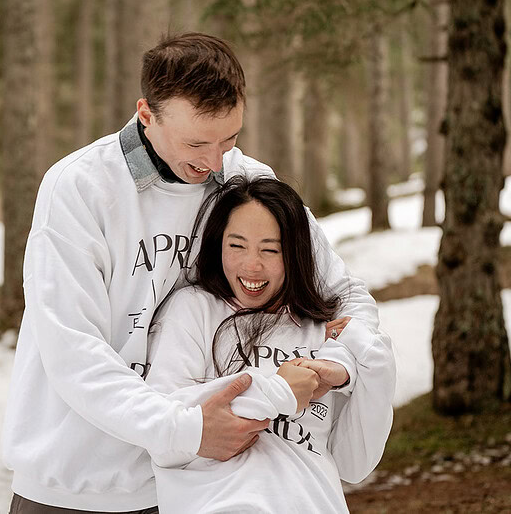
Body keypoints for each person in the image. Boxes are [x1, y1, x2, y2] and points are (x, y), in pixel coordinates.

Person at [2, 33, 381, 513]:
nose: (214, 162)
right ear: (147, 115)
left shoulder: (243, 182)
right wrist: (187, 429)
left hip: (193, 490)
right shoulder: (80, 188)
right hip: (78, 483)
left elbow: (345, 293)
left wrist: (341, 362)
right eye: (196, 142)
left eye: (230, 138)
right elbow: (72, 350)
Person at [145, 176, 396, 513]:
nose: (252, 265)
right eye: (236, 246)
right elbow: (164, 433)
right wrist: (277, 391)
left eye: (270, 249)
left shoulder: (322, 330)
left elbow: (354, 464)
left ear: (295, 252)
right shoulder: (194, 309)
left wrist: (368, 362)